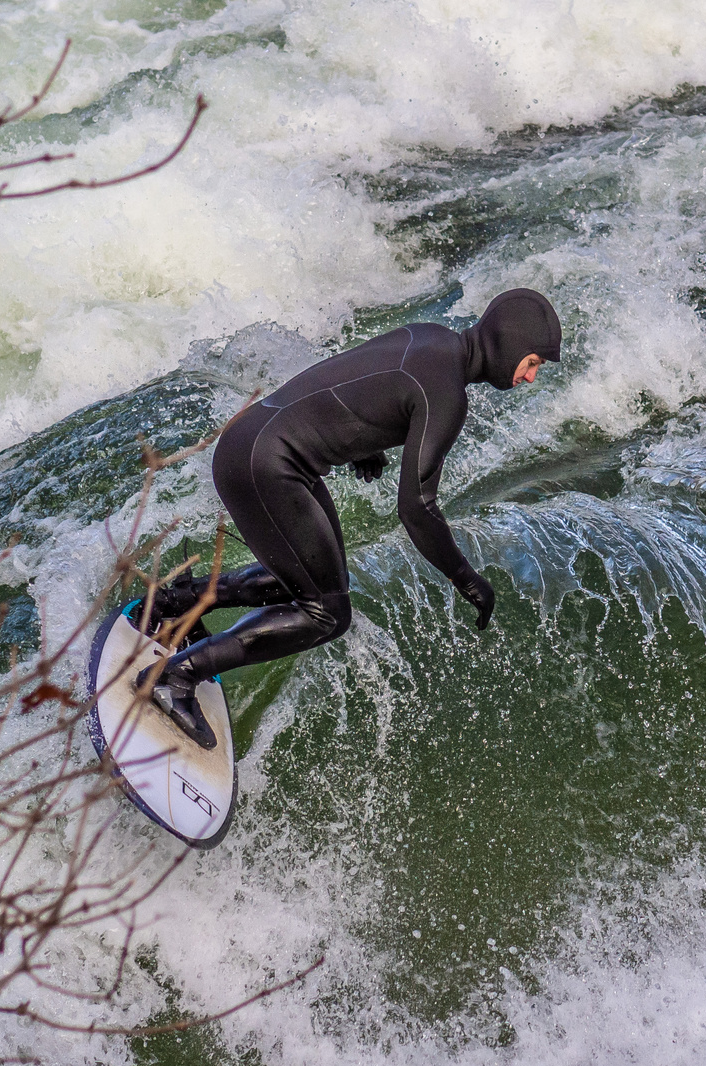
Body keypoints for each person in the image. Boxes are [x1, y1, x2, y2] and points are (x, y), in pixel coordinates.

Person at [140, 289, 563, 749]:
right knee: (327, 613)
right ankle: (174, 677)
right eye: (533, 362)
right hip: (269, 466)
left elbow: (356, 376)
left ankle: (173, 602)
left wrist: (368, 443)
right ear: (509, 344)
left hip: (252, 441)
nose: (531, 377)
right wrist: (467, 579)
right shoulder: (447, 393)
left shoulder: (431, 338)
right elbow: (417, 509)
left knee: (320, 581)